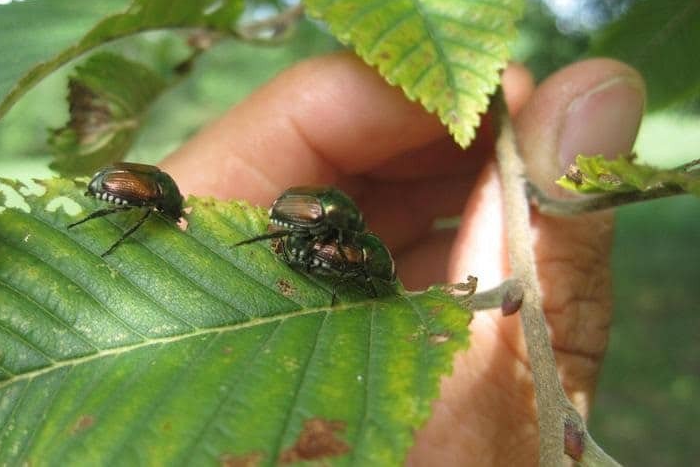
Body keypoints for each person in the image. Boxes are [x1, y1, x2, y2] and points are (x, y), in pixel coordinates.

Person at [161, 54, 645, 465]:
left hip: (310, 227)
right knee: (321, 256)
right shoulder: (327, 220)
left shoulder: (346, 230)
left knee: (330, 260)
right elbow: (319, 232)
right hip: (296, 218)